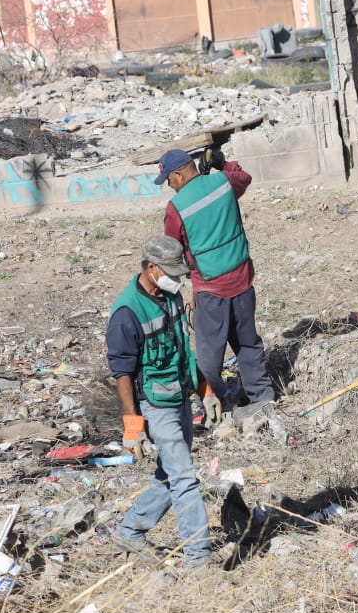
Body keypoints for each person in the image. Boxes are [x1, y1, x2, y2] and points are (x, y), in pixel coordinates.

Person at [106, 234, 212, 568]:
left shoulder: (171, 298)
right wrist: (133, 426)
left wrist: (205, 391)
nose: (178, 280)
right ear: (151, 267)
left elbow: (183, 349)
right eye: (171, 272)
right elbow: (122, 374)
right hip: (154, 406)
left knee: (170, 472)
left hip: (180, 396)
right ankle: (199, 560)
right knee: (184, 477)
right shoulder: (126, 313)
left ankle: (130, 529)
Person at [158, 147, 274, 420]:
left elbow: (172, 250)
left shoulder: (176, 208)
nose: (168, 186)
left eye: (168, 180)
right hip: (243, 278)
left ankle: (220, 402)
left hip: (211, 290)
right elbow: (242, 177)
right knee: (247, 343)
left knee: (209, 358)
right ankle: (263, 397)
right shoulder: (222, 183)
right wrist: (222, 163)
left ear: (179, 175)